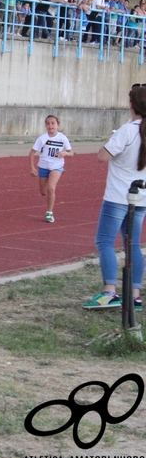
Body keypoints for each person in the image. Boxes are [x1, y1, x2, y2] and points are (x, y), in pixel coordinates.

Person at [84, 85, 146, 310]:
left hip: (118, 195)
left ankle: (109, 291)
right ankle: (135, 295)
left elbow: (103, 155)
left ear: (132, 105)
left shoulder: (127, 130)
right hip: (141, 197)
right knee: (133, 244)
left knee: (104, 241)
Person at [29, 115, 73, 223]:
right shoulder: (42, 139)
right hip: (43, 166)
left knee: (51, 188)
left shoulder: (62, 138)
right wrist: (32, 168)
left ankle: (49, 213)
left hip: (56, 166)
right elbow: (32, 153)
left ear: (58, 125)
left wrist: (65, 153)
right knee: (43, 192)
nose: (50, 125)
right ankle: (48, 183)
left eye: (53, 123)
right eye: (48, 123)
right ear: (45, 126)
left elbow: (71, 153)